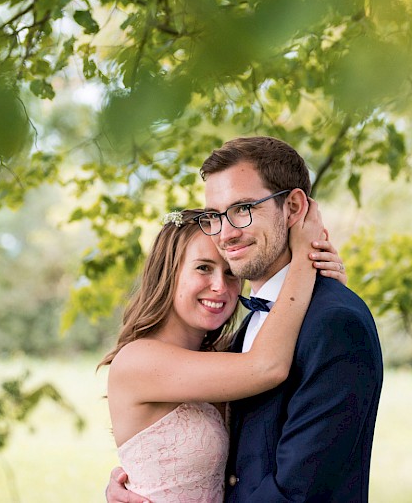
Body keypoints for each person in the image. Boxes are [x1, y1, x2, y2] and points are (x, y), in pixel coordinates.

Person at [107, 136, 384, 502]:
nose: (226, 233)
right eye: (217, 215)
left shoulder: (333, 322)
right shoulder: (241, 339)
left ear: (294, 207)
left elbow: (301, 490)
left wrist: (313, 274)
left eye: (243, 209)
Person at [99, 199, 340, 502]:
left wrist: (325, 287)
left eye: (230, 273)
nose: (220, 287)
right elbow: (266, 367)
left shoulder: (226, 354)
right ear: (167, 273)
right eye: (203, 268)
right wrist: (304, 257)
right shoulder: (139, 360)